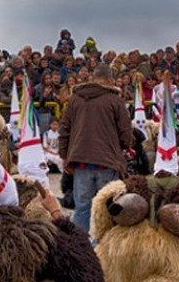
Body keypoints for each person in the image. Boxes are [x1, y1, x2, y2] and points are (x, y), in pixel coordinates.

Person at [58, 63, 133, 233]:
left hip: (81, 161)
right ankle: (105, 247)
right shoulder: (115, 100)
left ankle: (80, 247)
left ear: (93, 78)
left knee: (82, 207)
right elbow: (126, 131)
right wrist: (125, 146)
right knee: (107, 208)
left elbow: (64, 128)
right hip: (107, 162)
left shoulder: (75, 99)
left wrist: (64, 154)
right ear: (110, 79)